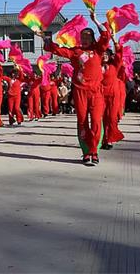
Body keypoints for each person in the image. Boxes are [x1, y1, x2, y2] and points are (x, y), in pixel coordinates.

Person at [42, 11, 110, 166]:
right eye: (83, 37)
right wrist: (46, 38)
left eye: (88, 37)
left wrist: (96, 21)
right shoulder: (75, 52)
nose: (85, 39)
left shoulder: (98, 50)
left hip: (97, 91)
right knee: (82, 121)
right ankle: (86, 153)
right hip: (80, 91)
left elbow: (105, 37)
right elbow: (55, 49)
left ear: (92, 38)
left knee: (97, 122)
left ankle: (94, 151)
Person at [101, 41, 124, 149]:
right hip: (101, 95)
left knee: (112, 118)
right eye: (103, 54)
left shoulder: (114, 65)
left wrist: (116, 43)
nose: (105, 56)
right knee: (101, 119)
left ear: (110, 56)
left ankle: (109, 139)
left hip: (113, 95)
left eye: (107, 54)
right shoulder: (97, 66)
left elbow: (119, 55)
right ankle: (102, 139)